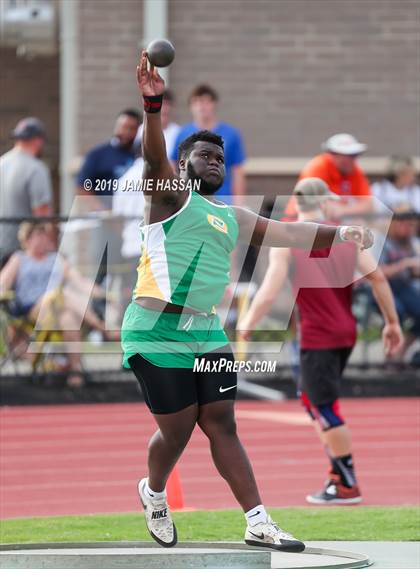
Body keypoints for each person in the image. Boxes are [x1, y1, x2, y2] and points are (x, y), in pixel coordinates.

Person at [120, 52, 374, 551]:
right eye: (203, 156)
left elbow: (287, 231)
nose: (213, 161)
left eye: (219, 158)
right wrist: (152, 106)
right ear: (183, 164)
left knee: (221, 422)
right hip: (154, 331)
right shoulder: (169, 195)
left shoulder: (233, 215)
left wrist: (340, 230)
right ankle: (153, 492)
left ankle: (258, 521)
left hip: (206, 332)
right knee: (177, 433)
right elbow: (153, 157)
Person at [238, 178, 403, 505]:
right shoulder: (346, 237)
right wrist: (392, 323)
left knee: (324, 406)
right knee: (312, 400)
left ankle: (346, 483)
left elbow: (269, 289)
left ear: (298, 204)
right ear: (324, 202)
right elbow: (378, 278)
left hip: (318, 336)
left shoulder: (289, 238)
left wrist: (247, 322)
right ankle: (339, 475)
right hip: (344, 332)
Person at [0, 222, 112, 387]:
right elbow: (3, 283)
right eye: (38, 236)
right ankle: (101, 327)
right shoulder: (19, 258)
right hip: (33, 309)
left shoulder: (56, 259)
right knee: (62, 295)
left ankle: (76, 373)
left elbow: (79, 281)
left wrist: (104, 294)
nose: (42, 240)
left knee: (69, 319)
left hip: (58, 308)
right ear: (27, 239)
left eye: (44, 236)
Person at [113, 91, 180, 309]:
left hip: (131, 247)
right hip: (157, 248)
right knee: (157, 301)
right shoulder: (165, 178)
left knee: (132, 301)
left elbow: (117, 219)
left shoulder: (123, 180)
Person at [170, 84, 246, 204]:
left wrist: (239, 204)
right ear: (191, 107)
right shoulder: (183, 133)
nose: (202, 106)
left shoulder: (231, 134)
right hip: (191, 199)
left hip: (222, 198)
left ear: (214, 105)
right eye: (198, 102)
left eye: (206, 102)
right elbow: (174, 166)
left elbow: (238, 171)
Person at [0, 117, 53, 267]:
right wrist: (50, 245)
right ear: (38, 141)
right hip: (24, 250)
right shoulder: (36, 168)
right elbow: (42, 213)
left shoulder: (1, 163)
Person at [284, 133, 373, 220]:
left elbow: (368, 205)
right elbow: (317, 205)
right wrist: (347, 210)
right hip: (298, 222)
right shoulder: (318, 167)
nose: (353, 159)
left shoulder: (354, 170)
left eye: (355, 155)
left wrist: (342, 210)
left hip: (330, 224)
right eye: (349, 155)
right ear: (333, 154)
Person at [77, 108, 142, 211]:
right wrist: (104, 212)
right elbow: (83, 188)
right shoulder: (98, 155)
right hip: (106, 219)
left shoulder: (140, 157)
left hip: (133, 215)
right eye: (123, 127)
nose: (127, 132)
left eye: (132, 128)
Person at [379, 207, 420, 360]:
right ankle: (390, 357)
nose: (409, 228)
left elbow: (414, 272)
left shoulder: (412, 243)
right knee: (397, 312)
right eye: (404, 223)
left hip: (404, 287)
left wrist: (414, 268)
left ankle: (400, 353)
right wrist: (404, 264)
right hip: (381, 289)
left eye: (411, 224)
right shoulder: (381, 241)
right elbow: (376, 273)